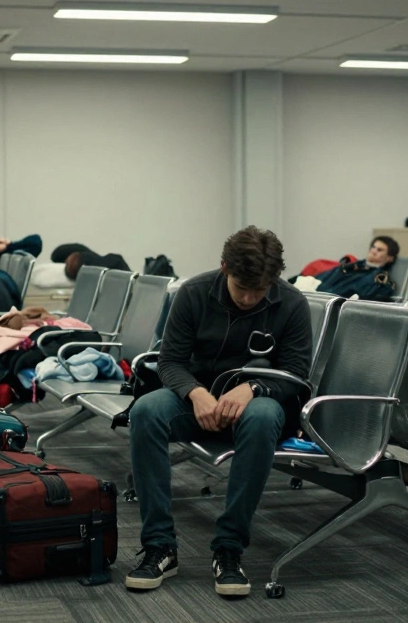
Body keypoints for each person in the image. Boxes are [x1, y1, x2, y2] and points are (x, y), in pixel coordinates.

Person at [126, 226, 312, 598]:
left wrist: (254, 387)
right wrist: (195, 393)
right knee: (146, 410)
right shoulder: (193, 294)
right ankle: (160, 546)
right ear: (224, 268)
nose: (248, 298)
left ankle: (229, 548)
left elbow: (295, 374)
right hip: (196, 398)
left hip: (257, 403)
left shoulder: (291, 302)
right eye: (242, 287)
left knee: (261, 417)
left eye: (258, 292)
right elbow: (170, 362)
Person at [314, 236, 400, 301]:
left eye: (379, 250)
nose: (373, 251)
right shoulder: (350, 266)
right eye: (373, 247)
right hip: (319, 295)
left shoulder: (380, 281)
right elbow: (322, 281)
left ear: (389, 258)